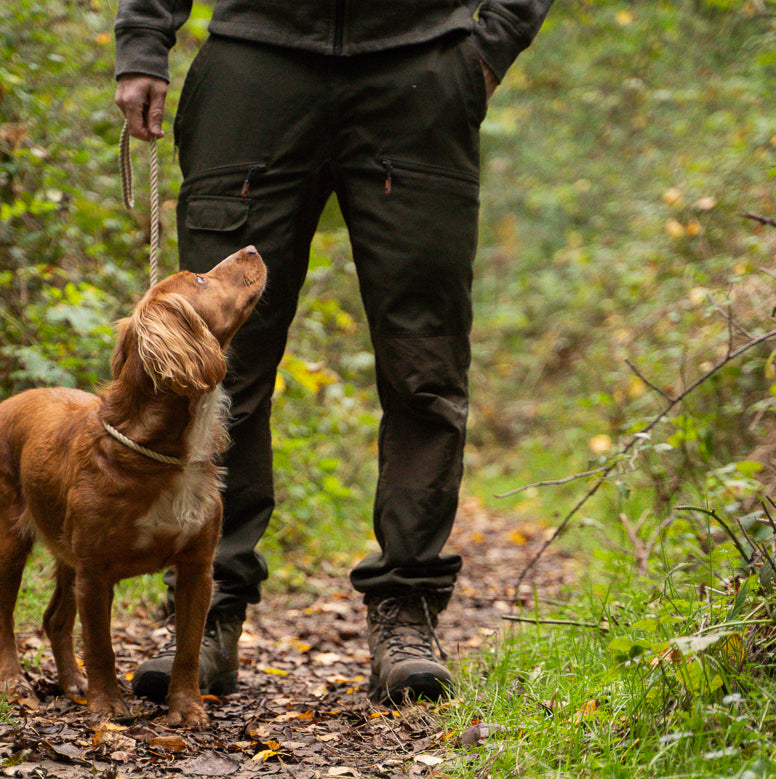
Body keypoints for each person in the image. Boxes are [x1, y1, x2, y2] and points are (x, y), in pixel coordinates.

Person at [113, 0, 554, 705]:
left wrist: (488, 47)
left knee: (424, 369)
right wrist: (142, 43)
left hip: (420, 70)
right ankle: (206, 613)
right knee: (216, 366)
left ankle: (406, 609)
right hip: (253, 68)